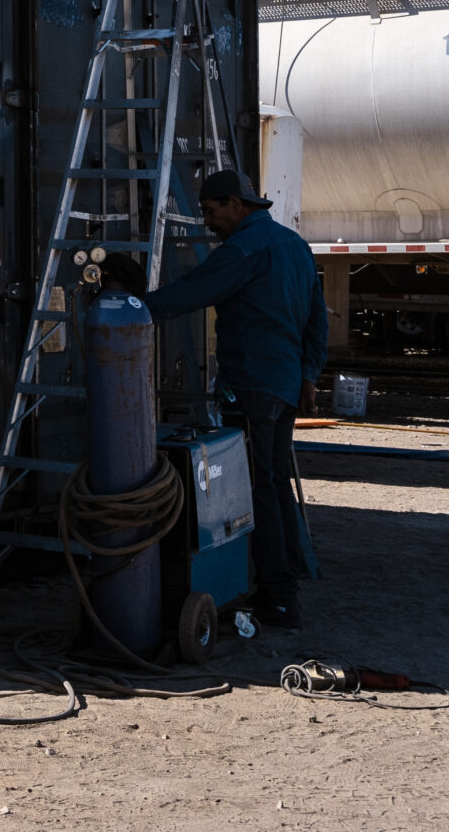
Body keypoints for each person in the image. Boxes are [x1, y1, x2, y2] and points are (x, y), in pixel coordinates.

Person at [132, 167, 328, 629]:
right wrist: (309, 376)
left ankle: (279, 598)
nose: (208, 222)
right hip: (282, 386)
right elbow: (317, 319)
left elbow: (195, 291)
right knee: (276, 485)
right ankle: (282, 586)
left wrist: (133, 307)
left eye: (211, 211)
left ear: (236, 206)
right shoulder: (294, 245)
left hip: (253, 385)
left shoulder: (245, 247)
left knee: (258, 490)